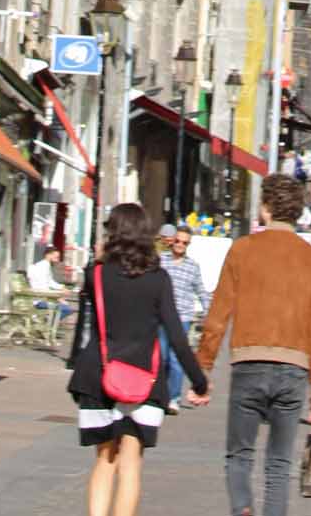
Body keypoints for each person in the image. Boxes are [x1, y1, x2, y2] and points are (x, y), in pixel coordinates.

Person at [195, 174, 311, 516]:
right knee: (279, 465)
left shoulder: (242, 249)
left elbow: (218, 314)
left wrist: (204, 368)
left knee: (239, 455)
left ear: (266, 208)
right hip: (295, 368)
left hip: (249, 363)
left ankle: (242, 506)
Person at [68, 202, 207, 516]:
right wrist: (199, 381)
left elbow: (87, 321)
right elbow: (176, 336)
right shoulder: (158, 279)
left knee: (105, 461)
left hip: (99, 375)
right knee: (131, 465)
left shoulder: (97, 274)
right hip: (144, 378)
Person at [156, 226, 206, 415]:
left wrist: (209, 312)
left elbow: (201, 290)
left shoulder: (192, 267)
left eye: (184, 242)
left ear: (188, 245)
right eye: (177, 241)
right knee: (161, 357)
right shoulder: (161, 261)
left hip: (182, 318)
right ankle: (159, 395)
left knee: (176, 360)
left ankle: (173, 398)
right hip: (161, 317)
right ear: (172, 241)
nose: (180, 245)